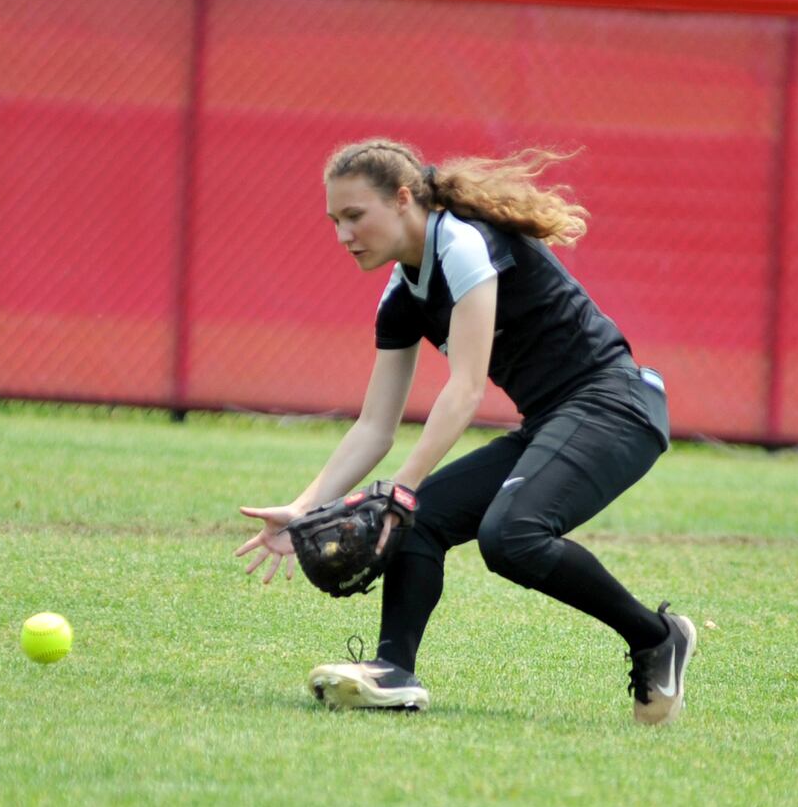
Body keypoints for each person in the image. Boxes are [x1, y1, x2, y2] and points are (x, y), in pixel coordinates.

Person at [235, 138, 695, 725]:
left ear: (403, 199)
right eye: (334, 220)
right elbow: (375, 425)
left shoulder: (462, 242)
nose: (343, 234)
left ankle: (657, 636)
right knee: (421, 521)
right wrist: (305, 507)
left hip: (616, 404)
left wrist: (397, 489)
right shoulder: (402, 295)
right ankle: (392, 671)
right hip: (555, 418)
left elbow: (466, 389)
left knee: (512, 536)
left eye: (355, 215)